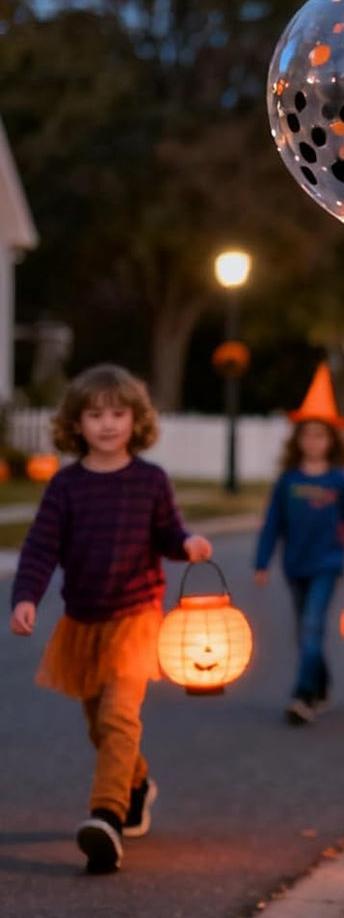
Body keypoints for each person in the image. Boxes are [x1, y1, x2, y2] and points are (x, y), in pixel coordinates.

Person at [8, 364, 212, 874]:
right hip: (83, 621)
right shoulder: (65, 486)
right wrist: (26, 597)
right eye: (95, 415)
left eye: (118, 414)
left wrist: (187, 543)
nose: (107, 424)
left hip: (137, 617)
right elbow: (40, 547)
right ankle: (136, 785)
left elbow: (168, 533)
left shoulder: (150, 480)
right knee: (100, 727)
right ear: (76, 423)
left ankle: (107, 818)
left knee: (120, 717)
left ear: (136, 420)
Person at [254, 363, 344, 726]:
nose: (314, 442)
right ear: (298, 440)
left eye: (321, 436)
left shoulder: (339, 479)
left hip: (327, 564)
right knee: (304, 628)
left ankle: (302, 695)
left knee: (312, 625)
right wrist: (261, 562)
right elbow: (273, 523)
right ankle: (321, 685)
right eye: (308, 436)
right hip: (295, 564)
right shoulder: (288, 480)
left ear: (332, 440)